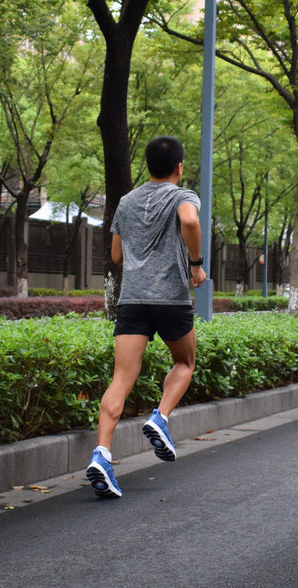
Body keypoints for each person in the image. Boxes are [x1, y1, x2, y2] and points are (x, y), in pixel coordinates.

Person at [85, 135, 206, 499]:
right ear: (179, 167)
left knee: (121, 377)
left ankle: (102, 454)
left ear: (148, 165)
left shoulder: (126, 201)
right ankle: (161, 417)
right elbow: (189, 221)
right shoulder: (184, 196)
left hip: (133, 299)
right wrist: (196, 266)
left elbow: (117, 256)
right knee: (184, 362)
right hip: (170, 298)